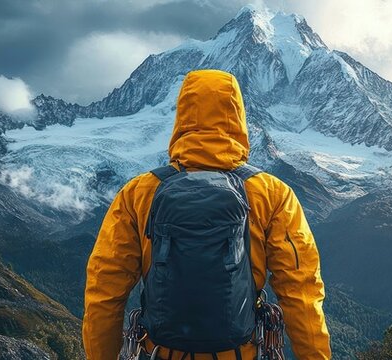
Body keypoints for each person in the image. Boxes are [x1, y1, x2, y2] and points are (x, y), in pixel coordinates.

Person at [83, 69, 330, 359]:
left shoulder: (138, 193)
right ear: (238, 118)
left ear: (182, 118)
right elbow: (301, 292)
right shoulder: (272, 194)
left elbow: (104, 291)